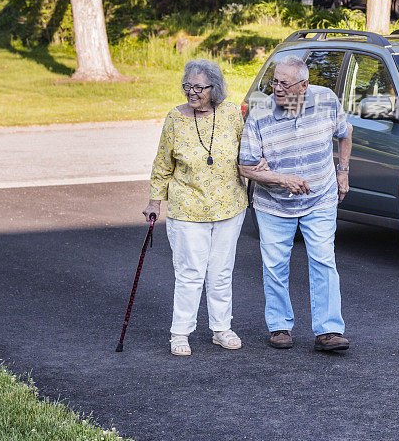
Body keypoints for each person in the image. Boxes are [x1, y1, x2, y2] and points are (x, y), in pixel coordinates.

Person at [239, 56, 353, 352]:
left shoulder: (326, 100)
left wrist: (343, 172)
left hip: (321, 197)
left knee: (323, 260)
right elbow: (245, 167)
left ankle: (328, 330)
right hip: (274, 203)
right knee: (275, 266)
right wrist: (282, 179)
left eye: (283, 83)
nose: (276, 88)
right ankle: (279, 326)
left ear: (304, 85)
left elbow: (345, 133)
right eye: (274, 81)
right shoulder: (261, 111)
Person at [144, 59, 248, 356]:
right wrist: (154, 201)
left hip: (230, 207)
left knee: (221, 271)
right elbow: (162, 164)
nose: (192, 92)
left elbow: (247, 151)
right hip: (188, 209)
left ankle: (221, 328)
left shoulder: (230, 114)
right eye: (187, 86)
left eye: (199, 87)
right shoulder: (175, 119)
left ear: (214, 89)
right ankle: (180, 332)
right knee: (190, 273)